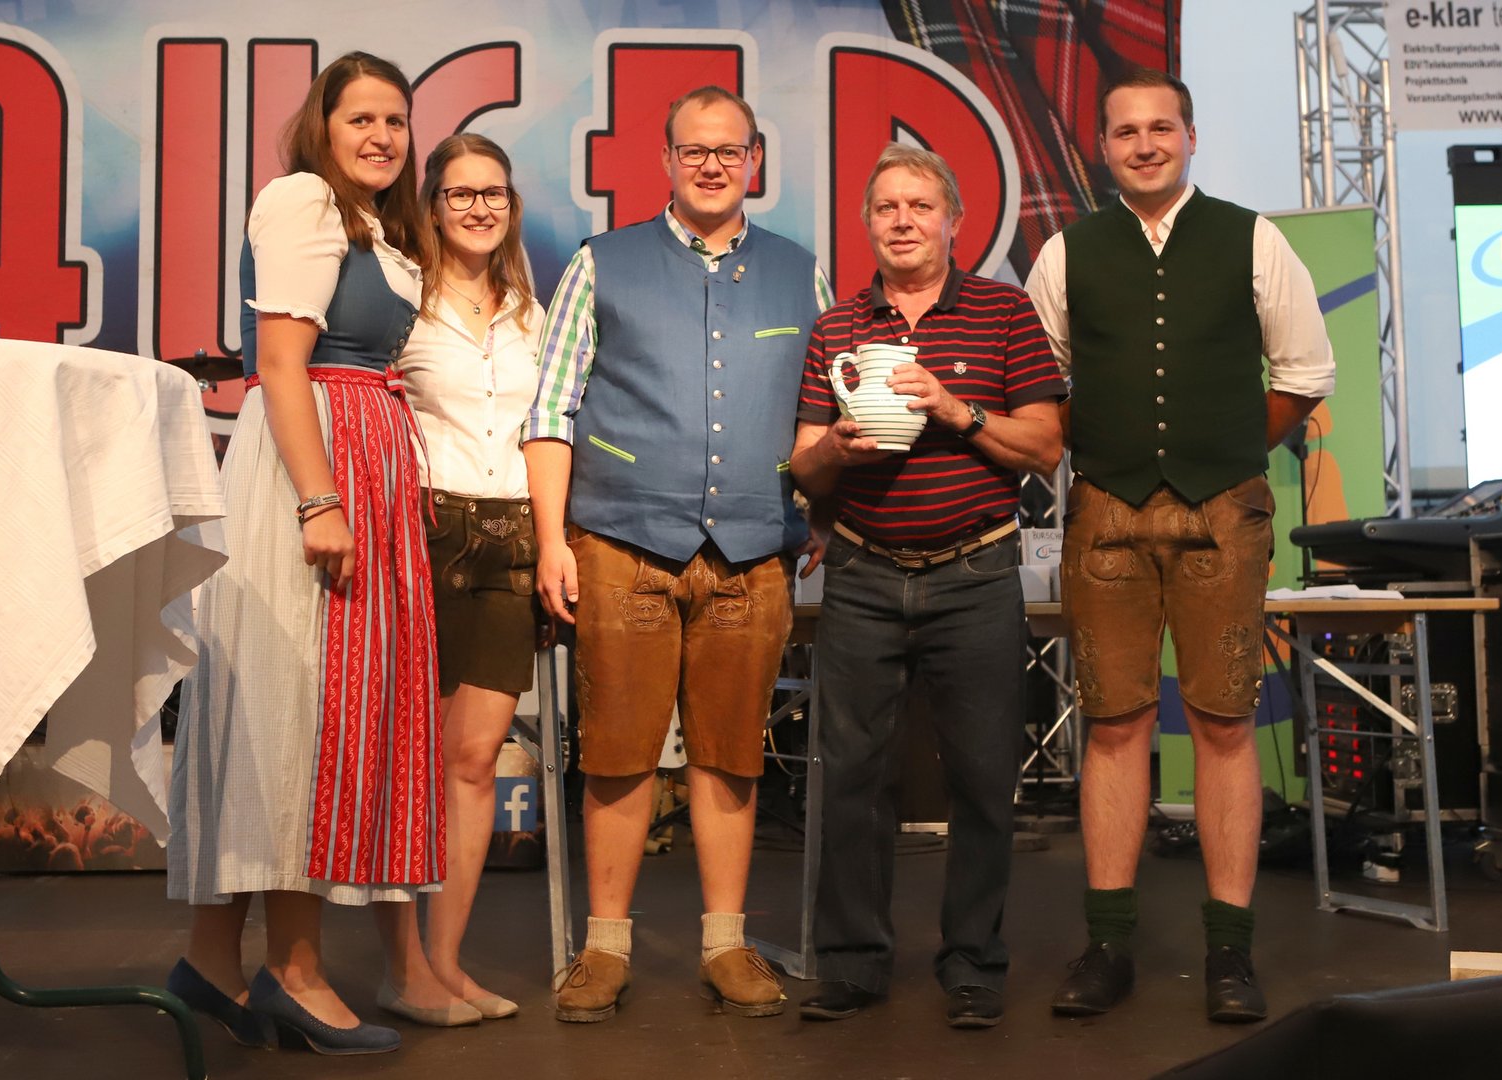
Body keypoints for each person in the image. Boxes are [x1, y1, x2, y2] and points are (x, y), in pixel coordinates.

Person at [1024, 67, 1334, 1023]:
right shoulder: (1066, 253)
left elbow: (1305, 372)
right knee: (1114, 723)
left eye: (1162, 127)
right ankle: (1107, 946)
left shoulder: (1254, 238)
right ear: (1102, 148)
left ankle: (1229, 953)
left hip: (1223, 513)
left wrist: (1228, 455)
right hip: (1104, 512)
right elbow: (1042, 387)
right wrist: (1116, 452)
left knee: (1224, 725)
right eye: (1126, 132)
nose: (1145, 144)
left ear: (1191, 137)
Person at [524, 85, 831, 1023]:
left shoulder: (800, 272)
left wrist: (821, 510)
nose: (711, 165)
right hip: (621, 542)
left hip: (753, 549)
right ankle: (604, 950)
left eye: (728, 150)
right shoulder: (601, 262)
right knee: (617, 754)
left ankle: (726, 945)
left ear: (755, 161)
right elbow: (550, 410)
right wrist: (551, 540)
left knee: (732, 756)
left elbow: (822, 409)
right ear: (665, 160)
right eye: (693, 149)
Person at [164, 51, 440, 1056]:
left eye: (395, 121)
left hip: (361, 452)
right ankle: (296, 971)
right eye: (360, 118)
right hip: (312, 459)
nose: (380, 136)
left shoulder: (378, 229)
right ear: (321, 127)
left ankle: (209, 964)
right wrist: (320, 499)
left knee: (300, 707)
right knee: (300, 709)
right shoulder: (303, 202)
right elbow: (281, 363)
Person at [788, 144, 1065, 1029]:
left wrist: (954, 409)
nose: (902, 221)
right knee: (852, 778)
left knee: (982, 778)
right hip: (862, 572)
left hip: (975, 572)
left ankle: (974, 964)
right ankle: (852, 964)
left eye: (920, 206)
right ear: (866, 223)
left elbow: (1045, 446)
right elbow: (804, 467)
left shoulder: (1004, 312)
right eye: (886, 207)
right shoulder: (837, 327)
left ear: (954, 221)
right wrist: (836, 450)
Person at [372, 133, 546, 1027]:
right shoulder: (402, 296)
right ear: (433, 205)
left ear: (511, 206)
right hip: (424, 530)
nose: (480, 207)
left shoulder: (532, 313)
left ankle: (444, 963)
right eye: (460, 193)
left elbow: (549, 433)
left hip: (512, 535)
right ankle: (402, 969)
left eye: (494, 193)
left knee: (475, 762)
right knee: (413, 762)